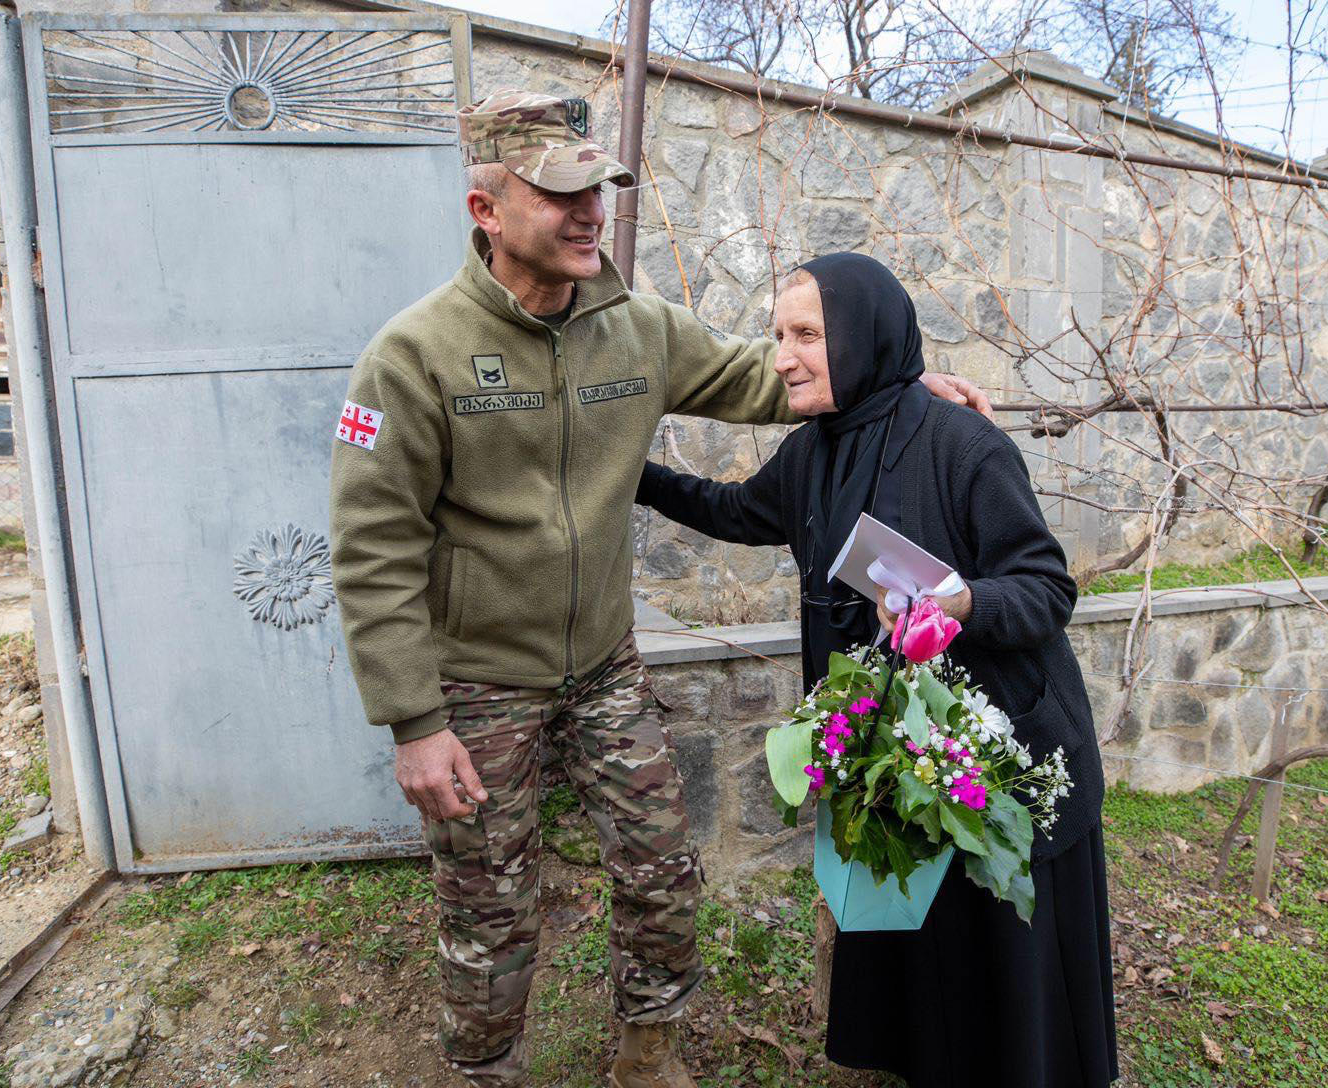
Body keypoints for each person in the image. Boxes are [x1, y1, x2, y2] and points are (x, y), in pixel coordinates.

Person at [328, 90, 991, 1088]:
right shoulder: (411, 357)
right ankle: (486, 1065)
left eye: (596, 186)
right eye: (559, 194)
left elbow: (762, 376)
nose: (589, 209)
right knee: (488, 903)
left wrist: (897, 382)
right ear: (486, 210)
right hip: (475, 682)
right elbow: (372, 546)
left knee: (659, 865)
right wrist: (415, 721)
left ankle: (648, 1049)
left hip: (602, 664)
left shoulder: (635, 328)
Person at [635, 252, 1118, 1087]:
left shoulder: (962, 445)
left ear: (863, 337)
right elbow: (732, 509)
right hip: (898, 761)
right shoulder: (814, 452)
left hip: (996, 755)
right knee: (930, 954)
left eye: (807, 335)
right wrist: (629, 477)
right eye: (778, 335)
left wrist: (960, 602)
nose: (782, 356)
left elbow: (1046, 588)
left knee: (1000, 954)